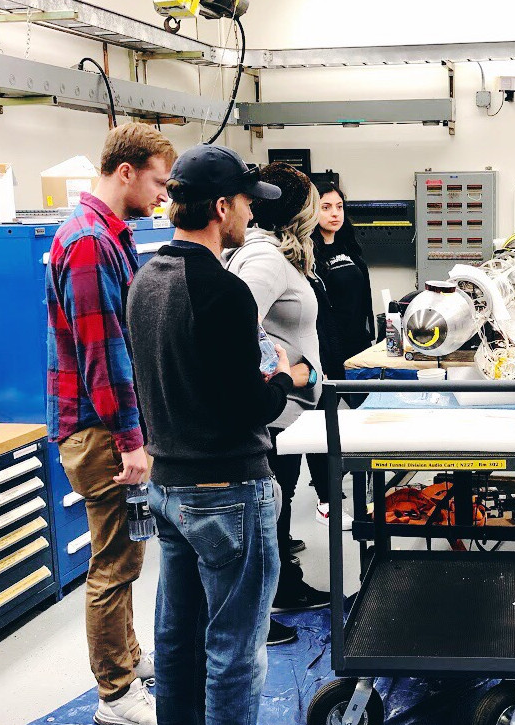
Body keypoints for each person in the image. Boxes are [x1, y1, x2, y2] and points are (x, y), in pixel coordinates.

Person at [127, 144, 291, 725]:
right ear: (221, 206)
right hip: (227, 492)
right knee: (235, 652)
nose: (251, 215)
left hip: (169, 488)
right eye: (247, 203)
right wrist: (288, 378)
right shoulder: (223, 291)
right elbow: (248, 406)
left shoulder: (145, 279)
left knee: (177, 641)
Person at [46, 123, 175, 725]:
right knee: (114, 564)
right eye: (158, 180)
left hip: (102, 425)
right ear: (126, 171)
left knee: (124, 556)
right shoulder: (92, 242)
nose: (162, 194)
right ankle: (116, 695)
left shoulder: (104, 234)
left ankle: (126, 659)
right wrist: (131, 440)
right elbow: (104, 353)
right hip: (101, 430)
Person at [223, 162, 329, 639]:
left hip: (288, 410)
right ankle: (261, 613)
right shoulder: (264, 260)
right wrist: (287, 370)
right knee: (270, 509)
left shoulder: (275, 254)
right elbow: (235, 327)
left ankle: (286, 586)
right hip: (274, 411)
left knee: (281, 505)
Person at [303, 182, 374, 529]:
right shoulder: (307, 255)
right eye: (326, 207)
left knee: (369, 415)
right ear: (312, 211)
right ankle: (326, 499)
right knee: (323, 422)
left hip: (357, 349)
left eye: (339, 207)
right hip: (325, 352)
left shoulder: (350, 248)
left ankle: (373, 481)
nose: (334, 214)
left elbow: (364, 300)